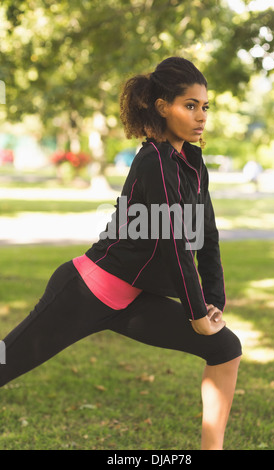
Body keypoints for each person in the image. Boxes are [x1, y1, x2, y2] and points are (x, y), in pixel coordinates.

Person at [0, 57, 242, 450]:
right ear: (162, 106)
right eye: (190, 105)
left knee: (225, 347)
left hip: (130, 302)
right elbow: (171, 244)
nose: (201, 116)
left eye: (205, 107)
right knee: (5, 361)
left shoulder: (193, 164)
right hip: (84, 291)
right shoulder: (154, 161)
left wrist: (213, 302)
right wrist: (195, 313)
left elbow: (207, 234)